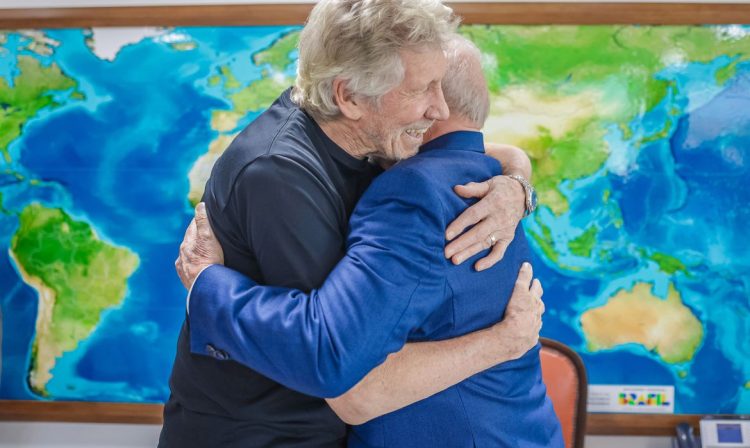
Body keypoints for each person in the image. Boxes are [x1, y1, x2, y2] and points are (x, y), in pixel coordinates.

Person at [160, 1, 543, 447]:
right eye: (424, 89)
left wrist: (516, 183)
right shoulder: (279, 176)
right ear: (349, 96)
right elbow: (331, 355)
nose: (439, 109)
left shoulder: (363, 135)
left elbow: (473, 153)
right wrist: (205, 286)